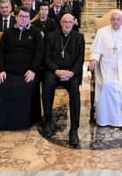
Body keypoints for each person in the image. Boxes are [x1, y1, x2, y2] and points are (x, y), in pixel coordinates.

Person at [0, 7, 44, 133]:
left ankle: (23, 123)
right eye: (21, 16)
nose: (24, 19)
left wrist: (33, 70)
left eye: (26, 17)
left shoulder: (35, 33)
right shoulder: (8, 32)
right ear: (16, 17)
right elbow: (0, 53)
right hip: (8, 71)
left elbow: (39, 53)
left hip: (27, 71)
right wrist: (1, 70)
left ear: (29, 18)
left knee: (26, 86)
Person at [41, 14, 85, 147]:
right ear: (60, 23)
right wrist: (57, 71)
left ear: (73, 23)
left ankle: (74, 129)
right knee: (47, 86)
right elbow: (46, 58)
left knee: (75, 93)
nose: (67, 25)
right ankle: (48, 122)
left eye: (70, 22)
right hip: (54, 71)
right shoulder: (51, 36)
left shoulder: (79, 37)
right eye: (65, 22)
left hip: (71, 73)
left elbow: (80, 59)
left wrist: (71, 73)